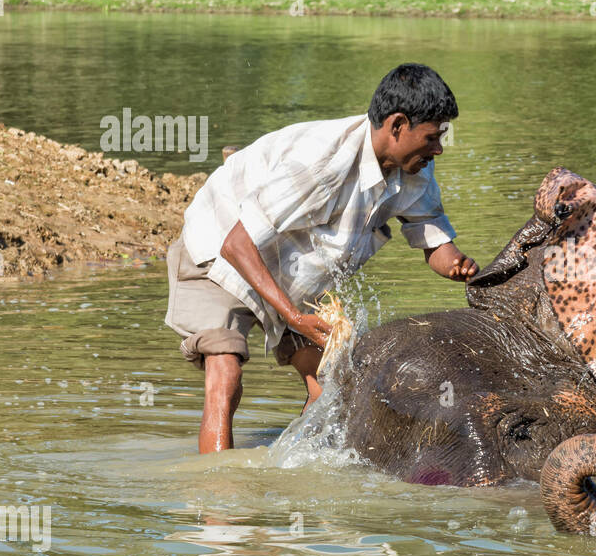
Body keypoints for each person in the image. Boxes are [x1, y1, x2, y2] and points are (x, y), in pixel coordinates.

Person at [164, 63, 479, 452]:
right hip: (220, 251)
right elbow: (237, 243)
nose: (439, 149)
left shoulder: (414, 172)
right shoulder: (323, 162)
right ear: (397, 125)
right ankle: (218, 500)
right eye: (432, 137)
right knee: (224, 372)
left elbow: (434, 243)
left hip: (294, 271)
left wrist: (459, 267)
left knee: (333, 388)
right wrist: (294, 318)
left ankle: (299, 473)